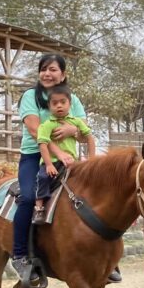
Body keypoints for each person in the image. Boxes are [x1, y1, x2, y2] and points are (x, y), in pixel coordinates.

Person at [12, 53, 121, 286]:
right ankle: (20, 255)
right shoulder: (30, 96)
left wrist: (74, 133)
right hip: (36, 156)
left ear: (63, 74)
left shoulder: (74, 99)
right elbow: (35, 131)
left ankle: (107, 256)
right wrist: (57, 152)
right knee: (29, 196)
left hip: (70, 158)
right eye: (43, 69)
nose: (47, 74)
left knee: (95, 195)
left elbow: (84, 133)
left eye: (52, 69)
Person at [33, 84, 95, 225]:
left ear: (70, 104)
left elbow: (90, 138)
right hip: (52, 161)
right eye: (55, 103)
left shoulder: (76, 122)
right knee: (42, 177)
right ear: (49, 106)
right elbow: (43, 144)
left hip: (71, 162)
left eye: (63, 102)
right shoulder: (46, 125)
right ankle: (39, 208)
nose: (59, 106)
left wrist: (92, 160)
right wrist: (48, 164)